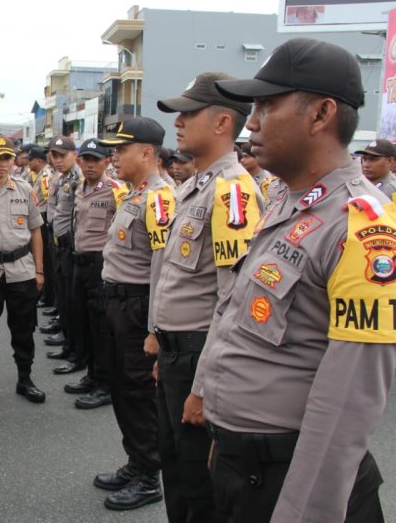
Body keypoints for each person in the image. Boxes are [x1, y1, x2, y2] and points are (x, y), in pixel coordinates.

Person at [192, 37, 396, 523]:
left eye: (266, 104)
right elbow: (233, 313)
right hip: (245, 462)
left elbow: (349, 400)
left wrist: (305, 512)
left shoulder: (364, 227)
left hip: (292, 481)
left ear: (321, 114)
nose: (252, 121)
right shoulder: (287, 199)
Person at [151, 71, 263, 523]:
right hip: (178, 352)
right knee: (175, 470)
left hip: (199, 358)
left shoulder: (231, 191)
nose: (178, 122)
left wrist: (201, 387)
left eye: (188, 113)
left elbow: (231, 300)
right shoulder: (195, 185)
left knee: (199, 485)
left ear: (221, 124)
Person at [90, 118, 173, 511]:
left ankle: (148, 474)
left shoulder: (160, 198)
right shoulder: (136, 193)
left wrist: (155, 327)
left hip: (138, 306)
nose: (114, 156)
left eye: (121, 149)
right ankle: (136, 460)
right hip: (118, 303)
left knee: (139, 393)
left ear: (146, 152)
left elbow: (162, 269)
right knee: (123, 389)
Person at [0, 135, 46, 405]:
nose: (3, 164)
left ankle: (25, 379)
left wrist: (40, 271)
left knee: (24, 329)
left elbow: (36, 230)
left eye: (8, 158)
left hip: (22, 269)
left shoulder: (26, 189)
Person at [64, 138, 127, 409]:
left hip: (101, 266)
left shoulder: (117, 191)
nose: (90, 165)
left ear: (106, 162)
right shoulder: (79, 188)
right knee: (84, 324)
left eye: (96, 160)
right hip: (80, 263)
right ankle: (91, 374)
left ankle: (105, 384)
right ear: (79, 161)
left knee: (102, 329)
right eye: (86, 159)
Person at [46, 136, 82, 370]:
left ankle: (75, 351)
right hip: (58, 242)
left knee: (72, 301)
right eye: (54, 155)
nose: (57, 160)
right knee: (64, 297)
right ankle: (68, 342)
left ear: (74, 154)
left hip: (71, 246)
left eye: (62, 155)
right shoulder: (62, 177)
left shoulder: (79, 178)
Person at [27, 146, 55, 308]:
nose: (28, 163)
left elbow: (47, 199)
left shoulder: (45, 176)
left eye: (31, 160)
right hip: (41, 217)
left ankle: (48, 296)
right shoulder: (39, 175)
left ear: (39, 161)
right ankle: (46, 295)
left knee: (46, 261)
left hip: (44, 218)